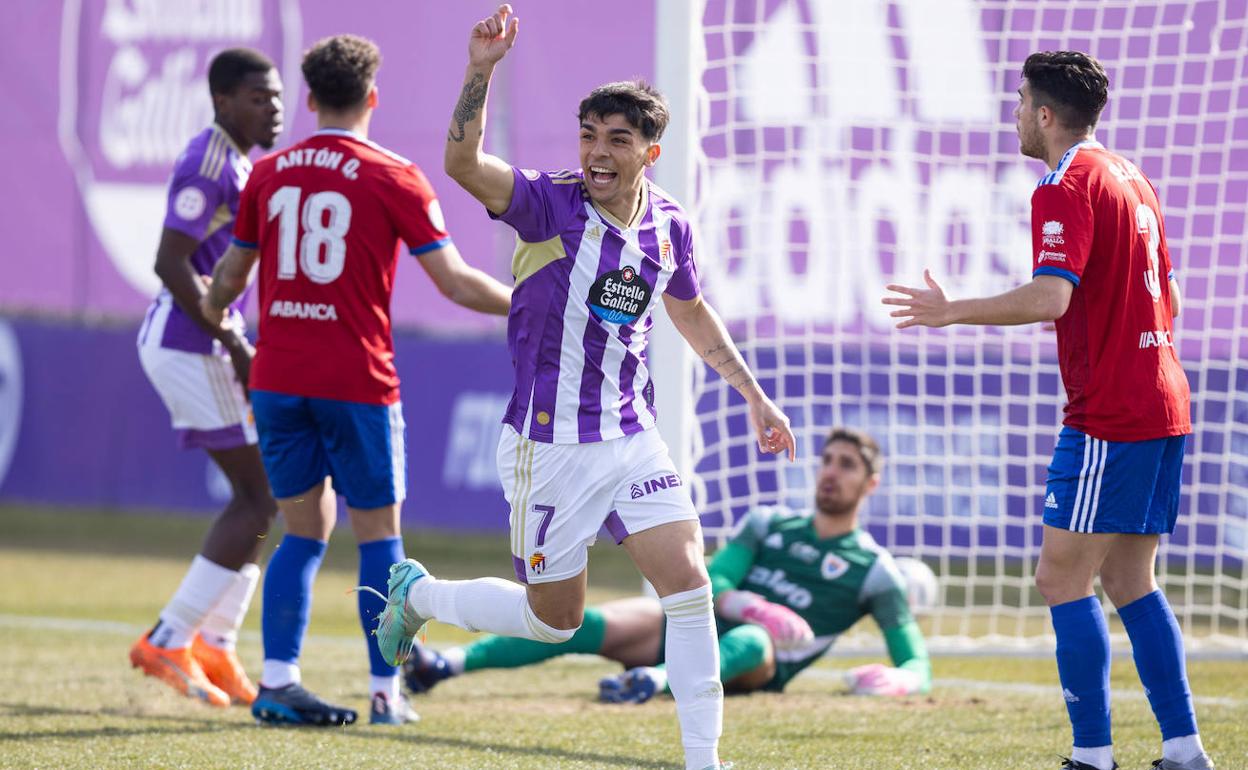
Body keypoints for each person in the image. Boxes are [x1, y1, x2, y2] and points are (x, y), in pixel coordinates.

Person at [369, 6, 795, 770]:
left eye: (617, 140)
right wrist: (480, 69)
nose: (597, 154)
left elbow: (691, 314)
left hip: (632, 438)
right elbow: (465, 165)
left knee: (689, 584)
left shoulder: (670, 227)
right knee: (554, 622)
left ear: (651, 151)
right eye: (588, 136)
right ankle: (420, 594)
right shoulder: (551, 204)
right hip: (550, 445)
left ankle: (706, 761)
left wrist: (754, 395)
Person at [883, 51, 1212, 770]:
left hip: (1113, 411)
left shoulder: (1064, 184)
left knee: (1061, 578)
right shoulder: (1133, 176)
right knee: (1130, 580)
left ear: (1042, 112)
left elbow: (1051, 297)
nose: (1014, 115)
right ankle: (1184, 750)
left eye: (1019, 101)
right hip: (1165, 397)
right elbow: (1174, 301)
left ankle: (1092, 755)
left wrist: (950, 312)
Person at [200, 34, 512, 727]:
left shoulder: (270, 173)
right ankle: (382, 691)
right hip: (355, 381)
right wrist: (529, 301)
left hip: (279, 379)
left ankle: (278, 682)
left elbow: (228, 278)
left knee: (302, 532)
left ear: (308, 99)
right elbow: (457, 284)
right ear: (373, 96)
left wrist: (214, 312)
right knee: (379, 539)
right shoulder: (394, 175)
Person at [402, 427, 931, 704]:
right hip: (694, 628)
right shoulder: (769, 524)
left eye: (847, 466)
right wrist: (750, 602)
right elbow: (716, 577)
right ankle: (445, 664)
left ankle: (653, 683)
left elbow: (916, 662)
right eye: (827, 461)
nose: (831, 473)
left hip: (755, 666)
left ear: (870, 484)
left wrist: (899, 681)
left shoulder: (876, 571)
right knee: (583, 623)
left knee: (755, 641)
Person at [130, 47, 283, 709]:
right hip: (189, 343)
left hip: (201, 343)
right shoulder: (210, 161)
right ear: (223, 102)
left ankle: (215, 645)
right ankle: (170, 637)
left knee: (266, 497)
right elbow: (170, 261)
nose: (272, 108)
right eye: (258, 97)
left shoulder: (241, 160)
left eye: (276, 97)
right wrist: (231, 338)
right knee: (258, 497)